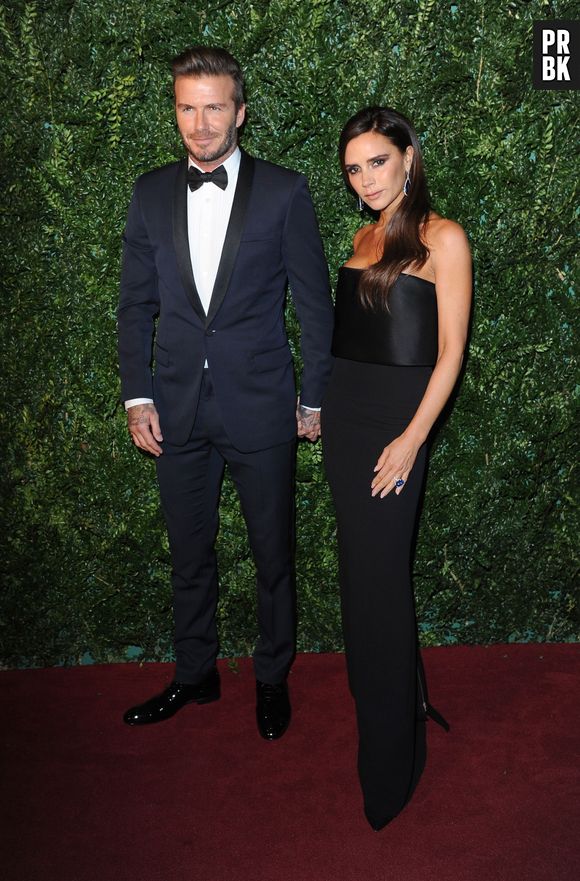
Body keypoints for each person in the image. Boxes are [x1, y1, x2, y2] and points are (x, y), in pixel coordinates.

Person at [118, 46, 333, 739]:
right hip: (175, 408)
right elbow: (135, 305)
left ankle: (271, 677)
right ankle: (195, 673)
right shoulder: (150, 192)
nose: (201, 123)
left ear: (240, 112)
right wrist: (136, 395)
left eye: (215, 108)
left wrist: (314, 398)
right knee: (189, 554)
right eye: (188, 108)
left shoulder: (285, 191)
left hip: (262, 406)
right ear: (176, 111)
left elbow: (315, 305)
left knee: (273, 555)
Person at [322, 107, 472, 829]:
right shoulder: (361, 238)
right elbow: (348, 342)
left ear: (409, 156)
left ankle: (391, 761)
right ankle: (396, 707)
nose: (366, 179)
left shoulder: (444, 237)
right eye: (354, 169)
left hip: (395, 429)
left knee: (380, 586)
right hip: (345, 424)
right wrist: (319, 409)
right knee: (361, 581)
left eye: (377, 161)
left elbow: (450, 354)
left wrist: (412, 439)